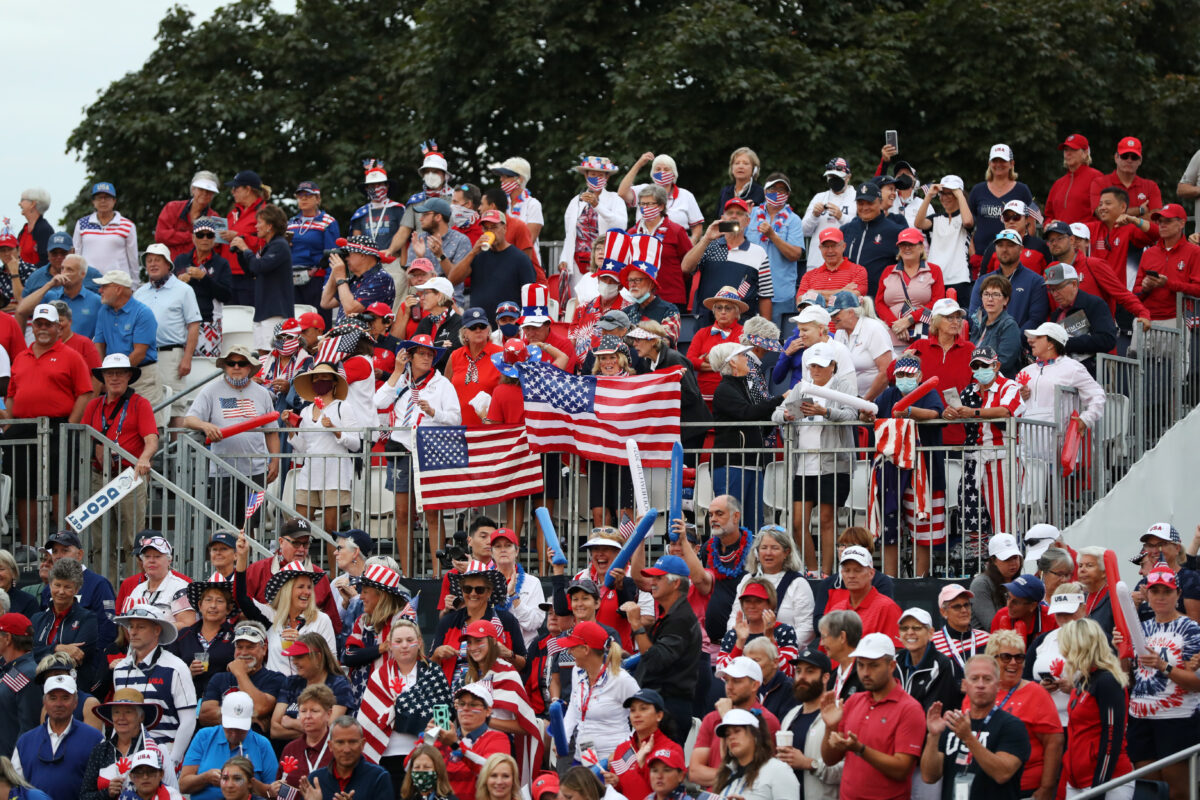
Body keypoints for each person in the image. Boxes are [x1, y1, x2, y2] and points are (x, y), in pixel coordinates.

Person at [1, 303, 92, 543]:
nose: (42, 329)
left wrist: (68, 426)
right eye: (38, 324)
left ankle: (65, 545)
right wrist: (10, 423)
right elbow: (11, 394)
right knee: (24, 490)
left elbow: (85, 392)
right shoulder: (21, 357)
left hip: (57, 427)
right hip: (23, 427)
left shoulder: (72, 356)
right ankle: (29, 546)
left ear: (58, 328)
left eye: (47, 324)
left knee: (59, 490)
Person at [375, 334, 461, 574]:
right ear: (409, 357)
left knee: (433, 512)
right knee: (402, 514)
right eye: (421, 353)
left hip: (429, 451)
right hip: (401, 450)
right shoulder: (400, 380)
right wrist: (395, 372)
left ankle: (437, 572)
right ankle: (408, 572)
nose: (426, 357)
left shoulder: (442, 384)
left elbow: (456, 418)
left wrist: (434, 412)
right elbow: (377, 402)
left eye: (430, 354)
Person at [182, 345, 280, 528]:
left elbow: (271, 431)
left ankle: (248, 557)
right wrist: (205, 425)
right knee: (222, 525)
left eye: (241, 363)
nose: (236, 367)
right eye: (231, 363)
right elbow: (188, 420)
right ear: (225, 366)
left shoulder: (263, 394)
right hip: (222, 471)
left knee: (252, 525)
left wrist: (275, 459)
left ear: (249, 367)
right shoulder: (210, 391)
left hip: (256, 472)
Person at [819, 633, 925, 800]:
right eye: (861, 665)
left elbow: (902, 770)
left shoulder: (910, 709)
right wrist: (830, 726)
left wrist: (860, 750)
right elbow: (829, 759)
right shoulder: (854, 701)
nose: (865, 672)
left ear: (891, 666)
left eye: (873, 666)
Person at [1125, 562, 1200, 799]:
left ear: (1178, 594)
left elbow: (1196, 682)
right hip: (1140, 716)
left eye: (1167, 591)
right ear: (1146, 593)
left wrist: (1163, 665)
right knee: (1149, 790)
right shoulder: (1140, 627)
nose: (1160, 597)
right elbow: (1126, 675)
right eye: (1155, 591)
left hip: (1176, 718)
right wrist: (1122, 650)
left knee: (1178, 791)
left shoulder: (1190, 628)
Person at [81, 353, 158, 572]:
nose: (114, 378)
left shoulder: (139, 403)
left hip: (129, 476)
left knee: (133, 541)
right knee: (100, 542)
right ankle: (105, 594)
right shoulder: (93, 405)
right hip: (99, 476)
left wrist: (144, 458)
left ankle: (136, 591)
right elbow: (83, 438)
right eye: (109, 373)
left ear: (128, 376)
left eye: (119, 373)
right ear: (103, 377)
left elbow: (151, 439)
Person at [919, 654, 1030, 800]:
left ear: (998, 686)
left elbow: (1002, 774)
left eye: (987, 679)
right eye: (974, 678)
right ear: (965, 685)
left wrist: (968, 738)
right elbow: (929, 776)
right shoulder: (953, 723)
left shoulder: (1012, 726)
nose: (981, 684)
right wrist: (933, 736)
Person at [355, 618, 451, 780]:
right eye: (398, 641)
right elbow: (371, 720)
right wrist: (413, 713)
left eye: (410, 640)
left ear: (419, 642)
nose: (405, 645)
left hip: (425, 758)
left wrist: (398, 710)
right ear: (390, 645)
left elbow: (443, 720)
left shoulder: (433, 672)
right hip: (386, 758)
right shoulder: (379, 676)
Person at [618, 554, 701, 741]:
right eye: (652, 577)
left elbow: (655, 660)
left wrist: (636, 625)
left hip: (669, 709)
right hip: (662, 704)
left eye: (659, 578)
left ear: (676, 584)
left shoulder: (680, 618)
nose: (652, 582)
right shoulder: (672, 615)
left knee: (661, 766)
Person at [234, 531, 337, 675]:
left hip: (307, 690)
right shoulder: (272, 616)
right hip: (275, 691)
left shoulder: (321, 620)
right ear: (286, 591)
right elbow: (242, 598)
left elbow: (332, 662)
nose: (307, 592)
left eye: (309, 587)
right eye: (300, 587)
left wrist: (304, 644)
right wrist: (242, 557)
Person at [710, 341, 786, 532]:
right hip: (732, 464)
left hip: (751, 463)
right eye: (743, 356)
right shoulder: (725, 389)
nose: (747, 360)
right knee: (730, 523)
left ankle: (750, 561)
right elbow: (747, 413)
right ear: (733, 363)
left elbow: (756, 419)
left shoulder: (742, 387)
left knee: (753, 522)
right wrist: (780, 400)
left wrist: (779, 416)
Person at [981, 630, 1064, 800]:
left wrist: (1047, 788)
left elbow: (1054, 743)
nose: (1013, 663)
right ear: (991, 659)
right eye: (1006, 657)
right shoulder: (978, 690)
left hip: (1024, 788)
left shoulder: (1036, 693)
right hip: (983, 787)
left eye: (1019, 657)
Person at [109, 603, 195, 764]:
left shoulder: (176, 667)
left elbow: (188, 720)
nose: (133, 632)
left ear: (157, 630)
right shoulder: (120, 669)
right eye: (131, 626)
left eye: (141, 627)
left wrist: (173, 760)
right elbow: (118, 717)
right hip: (127, 755)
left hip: (163, 751)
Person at [1058, 618, 1134, 799]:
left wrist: (1098, 788)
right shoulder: (1084, 678)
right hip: (1078, 779)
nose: (1064, 652)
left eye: (1067, 646)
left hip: (1107, 782)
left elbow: (1112, 739)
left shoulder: (1107, 681)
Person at [688, 657, 782, 788]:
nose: (729, 687)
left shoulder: (766, 720)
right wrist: (734, 777)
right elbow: (695, 772)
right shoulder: (712, 718)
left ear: (755, 685)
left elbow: (753, 773)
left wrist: (727, 718)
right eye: (727, 681)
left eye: (736, 681)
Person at [557, 620, 639, 761]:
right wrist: (563, 737)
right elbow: (573, 705)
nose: (569, 651)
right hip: (583, 756)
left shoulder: (621, 680)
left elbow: (644, 717)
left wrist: (627, 752)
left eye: (573, 647)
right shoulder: (577, 671)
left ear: (586, 650)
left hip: (614, 763)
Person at [12, 674, 104, 800]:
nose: (58, 704)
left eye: (65, 698)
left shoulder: (95, 739)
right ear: (44, 702)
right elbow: (14, 787)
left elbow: (103, 788)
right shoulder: (25, 742)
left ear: (75, 702)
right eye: (53, 698)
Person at [431, 568, 526, 684]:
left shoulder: (506, 620)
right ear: (462, 591)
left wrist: (509, 654)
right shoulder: (448, 621)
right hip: (451, 693)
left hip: (495, 690)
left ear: (489, 592)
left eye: (479, 590)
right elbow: (430, 665)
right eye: (467, 589)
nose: (473, 593)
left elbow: (523, 665)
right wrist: (437, 655)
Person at [627, 320, 711, 450]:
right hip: (673, 428)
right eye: (634, 340)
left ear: (653, 341)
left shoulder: (674, 359)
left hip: (690, 429)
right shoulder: (647, 363)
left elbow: (691, 395)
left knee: (685, 469)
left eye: (639, 339)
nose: (634, 344)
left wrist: (661, 398)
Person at [684, 199, 772, 322]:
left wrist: (764, 330)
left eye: (740, 213)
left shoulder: (759, 252)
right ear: (722, 218)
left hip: (741, 324)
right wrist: (706, 238)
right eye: (730, 212)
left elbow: (765, 296)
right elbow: (686, 268)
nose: (734, 216)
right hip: (707, 321)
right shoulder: (709, 245)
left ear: (747, 221)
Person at [726, 526, 816, 646]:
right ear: (757, 552)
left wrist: (779, 652)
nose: (768, 553)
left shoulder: (798, 583)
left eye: (774, 548)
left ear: (786, 552)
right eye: (764, 548)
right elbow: (735, 617)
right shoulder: (747, 580)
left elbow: (807, 628)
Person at [81, 689, 177, 800]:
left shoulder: (157, 749)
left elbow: (172, 792)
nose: (121, 717)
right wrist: (107, 793)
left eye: (128, 712)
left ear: (141, 717)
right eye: (116, 712)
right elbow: (84, 796)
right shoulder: (101, 750)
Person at [179, 691, 276, 800]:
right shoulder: (204, 737)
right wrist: (206, 778)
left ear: (251, 721)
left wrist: (251, 784)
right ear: (221, 719)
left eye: (240, 728)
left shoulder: (262, 744)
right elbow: (183, 786)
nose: (234, 733)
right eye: (230, 727)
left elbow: (273, 795)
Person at [425, 681, 510, 800]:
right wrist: (428, 740)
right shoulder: (443, 738)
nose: (465, 708)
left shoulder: (498, 738)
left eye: (474, 704)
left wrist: (456, 745)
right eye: (461, 703)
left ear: (488, 711)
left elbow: (491, 770)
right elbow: (409, 767)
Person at [1016, 322, 1105, 433]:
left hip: (1058, 444)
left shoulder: (1072, 367)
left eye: (1038, 337)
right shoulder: (1025, 372)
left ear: (1052, 343)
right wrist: (1018, 397)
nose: (1030, 340)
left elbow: (1097, 395)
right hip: (1026, 444)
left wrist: (1086, 419)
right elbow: (1013, 409)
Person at [229, 204, 294, 353]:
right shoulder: (269, 247)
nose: (256, 227)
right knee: (262, 355)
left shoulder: (280, 246)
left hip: (275, 312)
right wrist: (241, 254)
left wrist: (246, 249)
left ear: (270, 226)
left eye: (259, 223)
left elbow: (259, 266)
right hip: (264, 310)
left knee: (272, 354)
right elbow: (252, 271)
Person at [198, 621, 284, 734]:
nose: (244, 652)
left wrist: (240, 673)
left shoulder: (275, 679)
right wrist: (250, 717)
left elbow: (259, 708)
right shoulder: (219, 678)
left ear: (264, 649)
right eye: (239, 647)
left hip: (255, 746)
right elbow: (205, 716)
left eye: (250, 647)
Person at [31, 558, 101, 692]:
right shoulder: (37, 619)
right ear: (50, 585)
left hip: (74, 692)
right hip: (39, 691)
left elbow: (75, 658)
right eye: (57, 585)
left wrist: (41, 651)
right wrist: (58, 648)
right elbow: (28, 655)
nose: (61, 591)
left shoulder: (88, 619)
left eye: (67, 587)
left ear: (77, 589)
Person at [271, 633, 356, 744]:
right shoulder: (291, 682)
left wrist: (292, 723)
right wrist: (315, 731)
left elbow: (330, 729)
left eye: (300, 657)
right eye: (293, 657)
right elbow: (274, 730)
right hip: (289, 754)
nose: (294, 661)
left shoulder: (339, 684)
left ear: (318, 657)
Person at [875, 227, 947, 352]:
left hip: (923, 335)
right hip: (892, 336)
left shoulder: (934, 270)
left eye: (911, 244)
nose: (907, 248)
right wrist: (896, 325)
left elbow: (937, 302)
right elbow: (879, 303)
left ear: (921, 246)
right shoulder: (888, 271)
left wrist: (910, 320)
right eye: (903, 245)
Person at [625, 183, 696, 309]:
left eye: (649, 204)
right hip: (638, 299)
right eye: (642, 204)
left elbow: (688, 264)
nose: (645, 208)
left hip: (670, 298)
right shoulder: (632, 233)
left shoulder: (676, 230)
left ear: (661, 206)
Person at [605, 688, 684, 800]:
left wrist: (642, 765)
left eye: (643, 709)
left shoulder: (671, 749)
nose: (637, 715)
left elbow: (670, 793)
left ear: (659, 716)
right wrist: (615, 783)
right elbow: (619, 792)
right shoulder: (622, 749)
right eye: (632, 710)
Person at [747, 173, 806, 321]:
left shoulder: (794, 220)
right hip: (750, 291)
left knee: (778, 339)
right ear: (765, 191)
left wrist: (773, 235)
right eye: (773, 189)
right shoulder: (750, 214)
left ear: (788, 194)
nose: (777, 193)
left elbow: (795, 255)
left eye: (782, 190)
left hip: (780, 294)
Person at [173, 218, 234, 357]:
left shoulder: (221, 263)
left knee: (207, 370)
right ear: (193, 237)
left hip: (209, 323)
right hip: (181, 323)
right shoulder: (180, 260)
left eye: (209, 235)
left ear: (214, 239)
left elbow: (226, 295)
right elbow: (167, 290)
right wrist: (177, 282)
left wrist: (204, 278)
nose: (205, 239)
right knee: (180, 368)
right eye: (201, 235)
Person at [170, 573, 236, 698]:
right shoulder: (184, 635)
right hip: (187, 700)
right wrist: (188, 672)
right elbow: (170, 670)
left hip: (223, 702)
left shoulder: (235, 636)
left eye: (220, 601)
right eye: (208, 600)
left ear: (228, 608)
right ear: (200, 605)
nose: (213, 606)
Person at [1043, 263, 1119, 371]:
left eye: (1058, 288)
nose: (1054, 294)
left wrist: (1064, 343)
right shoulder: (1057, 313)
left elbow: (1107, 339)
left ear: (1074, 284)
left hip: (1093, 375)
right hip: (1064, 375)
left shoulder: (1094, 304)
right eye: (1051, 289)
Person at [712, 707, 800, 800]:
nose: (731, 737)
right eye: (727, 734)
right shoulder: (726, 774)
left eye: (737, 731)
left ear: (755, 734)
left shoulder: (778, 770)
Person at [1134, 204, 1200, 323]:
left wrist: (1168, 284)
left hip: (1178, 319)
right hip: (1146, 319)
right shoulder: (1148, 253)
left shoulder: (1195, 251)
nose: (1162, 225)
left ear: (1182, 223)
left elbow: (1198, 289)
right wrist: (1145, 288)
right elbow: (1136, 291)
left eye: (1168, 221)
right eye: (1160, 221)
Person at [301, 716, 395, 798]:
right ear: (330, 746)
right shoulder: (316, 780)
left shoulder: (379, 777)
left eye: (352, 742)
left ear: (362, 744)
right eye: (340, 742)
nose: (346, 749)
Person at [966, 144, 1034, 256]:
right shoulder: (978, 190)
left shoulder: (1022, 190)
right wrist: (973, 254)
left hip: (1012, 256)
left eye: (1002, 161)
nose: (998, 164)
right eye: (994, 160)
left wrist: (1023, 252)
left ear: (1011, 164)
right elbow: (967, 227)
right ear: (989, 163)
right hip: (981, 254)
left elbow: (1030, 226)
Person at [839, 181, 905, 295]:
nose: (865, 207)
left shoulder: (895, 231)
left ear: (880, 203)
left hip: (879, 300)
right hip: (847, 299)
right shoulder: (845, 230)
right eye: (860, 203)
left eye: (869, 203)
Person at [16, 252, 103, 339]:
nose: (64, 273)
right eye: (62, 269)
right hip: (53, 350)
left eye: (69, 270)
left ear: (82, 274)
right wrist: (49, 285)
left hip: (82, 350)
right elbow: (21, 310)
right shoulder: (50, 296)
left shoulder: (96, 301)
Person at [914, 175, 974, 300]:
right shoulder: (936, 218)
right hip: (935, 279)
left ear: (958, 195)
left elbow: (968, 222)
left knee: (960, 318)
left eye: (949, 194)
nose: (945, 198)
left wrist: (959, 194)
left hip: (960, 279)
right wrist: (929, 196)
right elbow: (918, 223)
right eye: (942, 194)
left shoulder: (965, 217)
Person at [823, 547, 901, 643]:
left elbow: (894, 652)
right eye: (847, 570)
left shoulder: (887, 608)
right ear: (842, 573)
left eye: (857, 570)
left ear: (871, 573)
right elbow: (826, 650)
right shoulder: (836, 609)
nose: (851, 575)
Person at [285, 180, 341, 311]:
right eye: (300, 196)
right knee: (297, 321)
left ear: (318, 199)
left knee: (318, 321)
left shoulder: (328, 221)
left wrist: (328, 286)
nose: (303, 199)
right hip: (292, 278)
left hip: (317, 279)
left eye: (308, 195)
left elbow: (332, 255)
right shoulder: (292, 222)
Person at [73, 182, 139, 288]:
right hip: (89, 282)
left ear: (114, 201)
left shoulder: (127, 225)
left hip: (118, 282)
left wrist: (134, 284)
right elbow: (76, 254)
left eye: (107, 197)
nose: (103, 201)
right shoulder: (82, 224)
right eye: (99, 198)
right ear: (93, 202)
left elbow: (133, 258)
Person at [829, 291, 893, 399]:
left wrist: (865, 402)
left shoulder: (874, 328)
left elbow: (885, 372)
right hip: (849, 401)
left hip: (876, 401)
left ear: (850, 312)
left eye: (835, 314)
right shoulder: (840, 333)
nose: (832, 318)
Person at [218, 170, 269, 305]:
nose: (232, 192)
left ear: (248, 189)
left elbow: (268, 242)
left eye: (235, 188)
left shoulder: (265, 212)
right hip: (228, 274)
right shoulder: (233, 213)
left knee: (247, 319)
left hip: (249, 275)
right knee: (230, 321)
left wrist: (240, 237)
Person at [272, 684, 335, 794]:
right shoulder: (290, 749)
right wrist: (270, 792)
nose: (308, 716)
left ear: (329, 714)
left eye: (314, 711)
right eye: (303, 711)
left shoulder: (339, 749)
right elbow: (275, 793)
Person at [895, 607, 960, 711]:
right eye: (904, 628)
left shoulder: (942, 665)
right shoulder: (894, 661)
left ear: (930, 633)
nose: (910, 632)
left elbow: (935, 709)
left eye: (916, 628)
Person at [802, 157, 857, 272]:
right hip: (816, 264)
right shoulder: (819, 197)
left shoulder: (856, 198)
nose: (834, 180)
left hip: (844, 265)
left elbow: (859, 230)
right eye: (831, 177)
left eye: (837, 177)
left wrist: (841, 217)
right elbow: (803, 231)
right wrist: (814, 215)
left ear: (848, 177)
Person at [1088, 136, 1162, 218]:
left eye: (1134, 157)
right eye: (1124, 156)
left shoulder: (1151, 186)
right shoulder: (1099, 183)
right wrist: (1140, 210)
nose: (1129, 160)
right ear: (1116, 158)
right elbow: (1101, 214)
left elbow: (1156, 219)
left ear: (1140, 161)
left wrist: (1116, 215)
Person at [930, 585, 990, 684]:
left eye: (967, 605)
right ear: (943, 612)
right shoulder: (932, 643)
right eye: (957, 607)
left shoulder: (986, 639)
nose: (964, 610)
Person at [155, 170, 222, 259]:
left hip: (197, 268)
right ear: (193, 189)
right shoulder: (172, 207)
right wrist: (192, 237)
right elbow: (160, 236)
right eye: (201, 189)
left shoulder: (216, 218)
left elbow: (217, 249)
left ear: (213, 195)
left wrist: (176, 236)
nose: (205, 193)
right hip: (169, 265)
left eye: (209, 191)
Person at [966, 274, 1022, 377]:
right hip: (975, 379)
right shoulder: (979, 324)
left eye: (996, 294)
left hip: (998, 383)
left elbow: (1004, 362)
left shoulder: (1009, 325)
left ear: (1006, 300)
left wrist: (977, 370)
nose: (990, 299)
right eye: (986, 294)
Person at [796, 228, 869, 305]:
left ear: (844, 246)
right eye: (825, 246)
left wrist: (813, 293)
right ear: (820, 248)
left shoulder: (858, 271)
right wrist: (842, 291)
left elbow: (852, 298)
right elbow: (800, 302)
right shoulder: (809, 276)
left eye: (834, 246)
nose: (830, 251)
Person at [1044, 134, 1105, 226]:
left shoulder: (1096, 177)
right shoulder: (1058, 184)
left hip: (1087, 238)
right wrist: (1048, 224)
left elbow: (1105, 213)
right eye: (1066, 150)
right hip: (1060, 238)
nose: (1068, 153)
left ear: (1085, 153)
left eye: (1073, 149)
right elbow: (1048, 215)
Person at [968, 534, 1023, 630]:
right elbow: (992, 625)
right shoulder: (981, 584)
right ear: (993, 560)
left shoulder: (1020, 581)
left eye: (1015, 557)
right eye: (1006, 559)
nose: (1013, 563)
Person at [716, 146, 766, 218]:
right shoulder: (725, 191)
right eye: (737, 163)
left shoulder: (761, 192)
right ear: (732, 168)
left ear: (754, 169)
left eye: (745, 163)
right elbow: (717, 218)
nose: (740, 166)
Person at [17, 187, 54, 268]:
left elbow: (46, 262)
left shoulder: (44, 230)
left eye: (22, 200)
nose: (19, 203)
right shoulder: (24, 230)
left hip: (37, 279)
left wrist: (26, 271)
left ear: (33, 204)